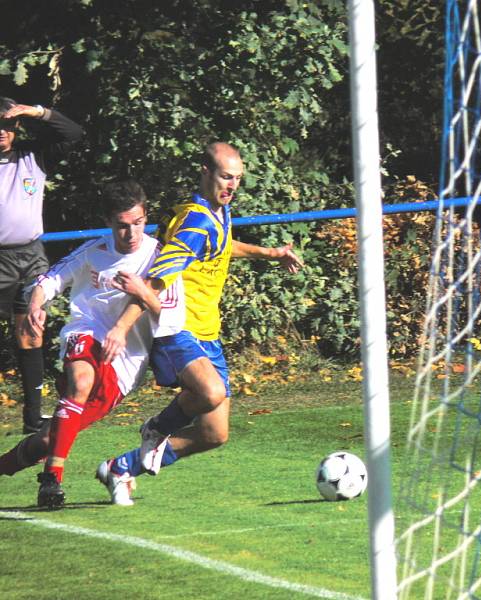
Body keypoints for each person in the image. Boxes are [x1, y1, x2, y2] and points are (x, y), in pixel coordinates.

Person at [98, 142, 302, 499]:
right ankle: (156, 428)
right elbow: (155, 282)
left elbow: (222, 245)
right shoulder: (194, 221)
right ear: (205, 172)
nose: (232, 185)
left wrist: (269, 253)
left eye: (237, 178)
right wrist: (123, 325)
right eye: (226, 176)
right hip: (177, 326)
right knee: (211, 391)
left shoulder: (215, 212)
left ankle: (123, 467)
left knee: (213, 434)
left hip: (208, 331)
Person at [0, 180, 184, 508]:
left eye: (138, 224)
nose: (131, 234)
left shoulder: (160, 257)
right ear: (109, 222)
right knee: (80, 383)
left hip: (128, 361)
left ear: (146, 217)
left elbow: (171, 316)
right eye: (122, 226)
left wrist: (142, 292)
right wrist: (35, 305)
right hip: (87, 332)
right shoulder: (94, 251)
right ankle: (51, 481)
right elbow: (49, 279)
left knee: (50, 438)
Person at [0, 97, 85, 434]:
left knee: (31, 333)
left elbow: (73, 133)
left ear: (17, 127)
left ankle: (33, 418)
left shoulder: (33, 156)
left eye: (7, 125)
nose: (2, 132)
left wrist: (38, 112)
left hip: (30, 256)